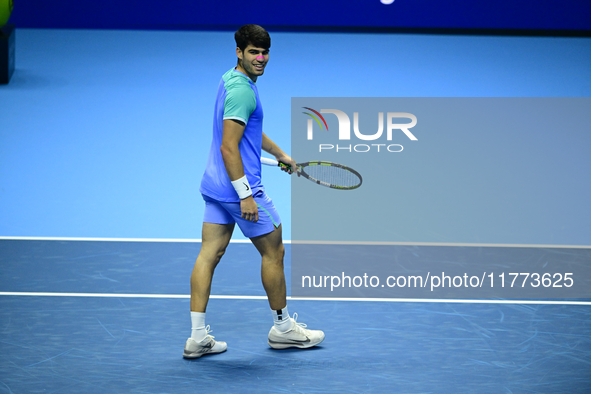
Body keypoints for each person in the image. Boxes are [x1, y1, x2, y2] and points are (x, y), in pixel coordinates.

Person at [183, 24, 325, 359]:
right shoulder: (245, 91)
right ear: (239, 52)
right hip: (237, 188)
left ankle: (197, 337)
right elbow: (230, 149)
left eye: (264, 53)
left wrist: (279, 154)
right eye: (253, 52)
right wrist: (245, 195)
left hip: (213, 186)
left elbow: (248, 130)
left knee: (209, 254)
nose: (260, 58)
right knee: (274, 252)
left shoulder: (230, 80)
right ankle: (283, 328)